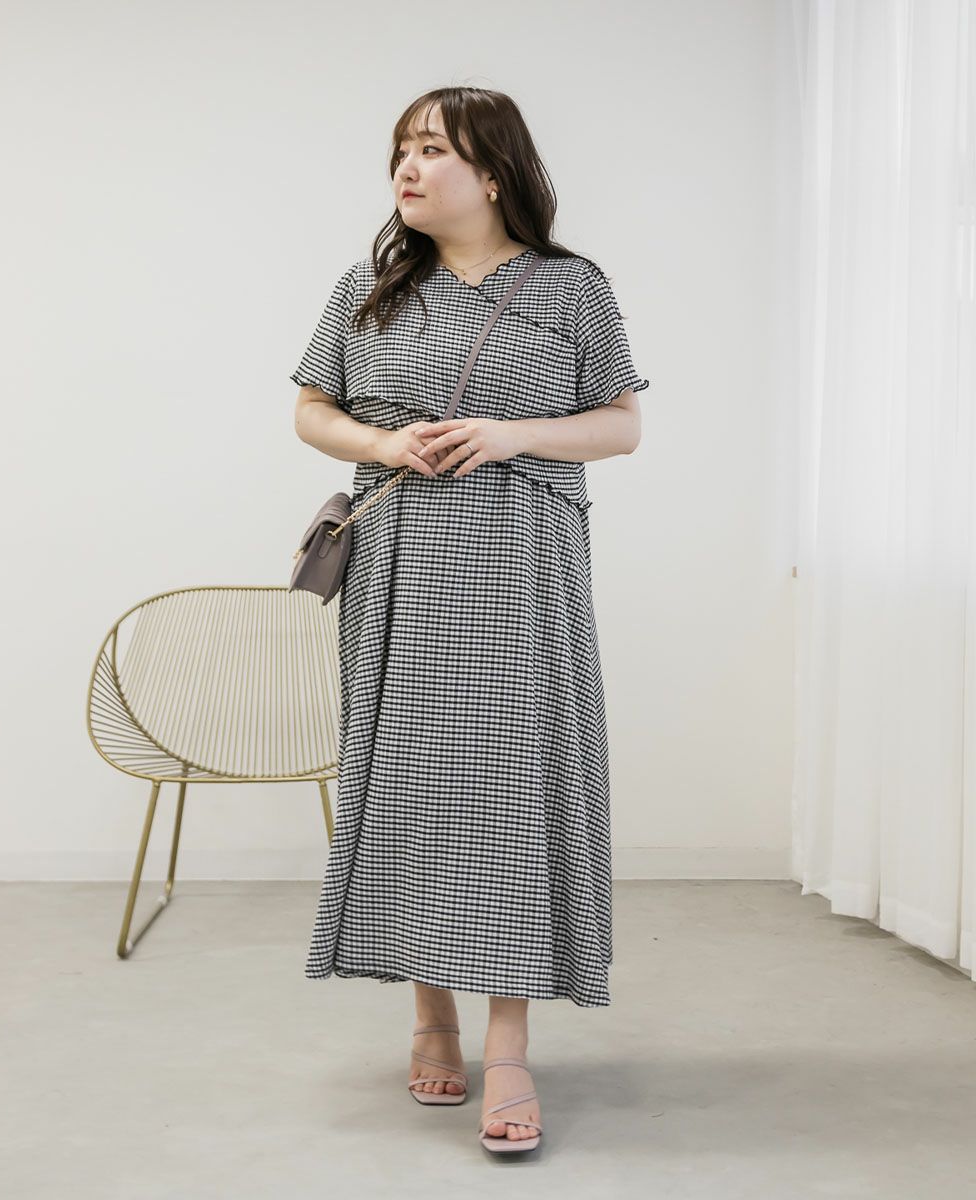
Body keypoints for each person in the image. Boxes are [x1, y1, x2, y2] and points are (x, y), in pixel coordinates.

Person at [290, 86, 649, 1155]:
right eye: (401, 149)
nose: (407, 167)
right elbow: (310, 408)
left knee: (512, 790)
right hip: (399, 567)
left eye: (432, 150)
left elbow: (621, 425)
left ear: (492, 174)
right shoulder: (366, 290)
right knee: (414, 788)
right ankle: (430, 1016)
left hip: (522, 562)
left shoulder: (572, 287)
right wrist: (383, 445)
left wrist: (510, 433)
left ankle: (508, 1044)